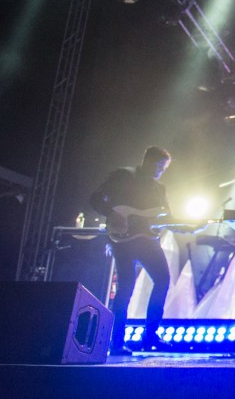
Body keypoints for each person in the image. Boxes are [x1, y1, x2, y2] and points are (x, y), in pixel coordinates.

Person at [89, 146, 173, 355]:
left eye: (163, 168)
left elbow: (167, 216)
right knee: (126, 286)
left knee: (163, 279)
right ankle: (116, 342)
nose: (159, 171)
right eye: (157, 165)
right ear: (145, 160)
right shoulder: (124, 175)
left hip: (148, 240)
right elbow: (96, 198)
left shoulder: (159, 189)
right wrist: (112, 214)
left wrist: (189, 225)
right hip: (123, 239)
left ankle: (150, 336)